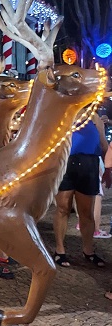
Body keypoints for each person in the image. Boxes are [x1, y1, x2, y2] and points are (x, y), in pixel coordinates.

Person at [52, 110, 107, 267]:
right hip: (65, 163)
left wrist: (105, 169)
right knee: (62, 208)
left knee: (86, 212)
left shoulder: (95, 118)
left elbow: (103, 144)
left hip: (89, 164)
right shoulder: (63, 115)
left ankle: (88, 250)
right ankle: (59, 250)